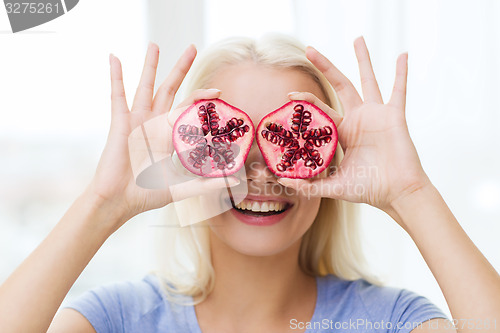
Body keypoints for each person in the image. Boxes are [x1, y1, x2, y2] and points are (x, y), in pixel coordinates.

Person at [0, 34, 498, 333]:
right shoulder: (118, 318)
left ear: (332, 160)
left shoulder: (388, 320)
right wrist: (102, 204)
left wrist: (412, 194)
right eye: (225, 144)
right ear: (184, 159)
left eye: (289, 141)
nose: (259, 173)